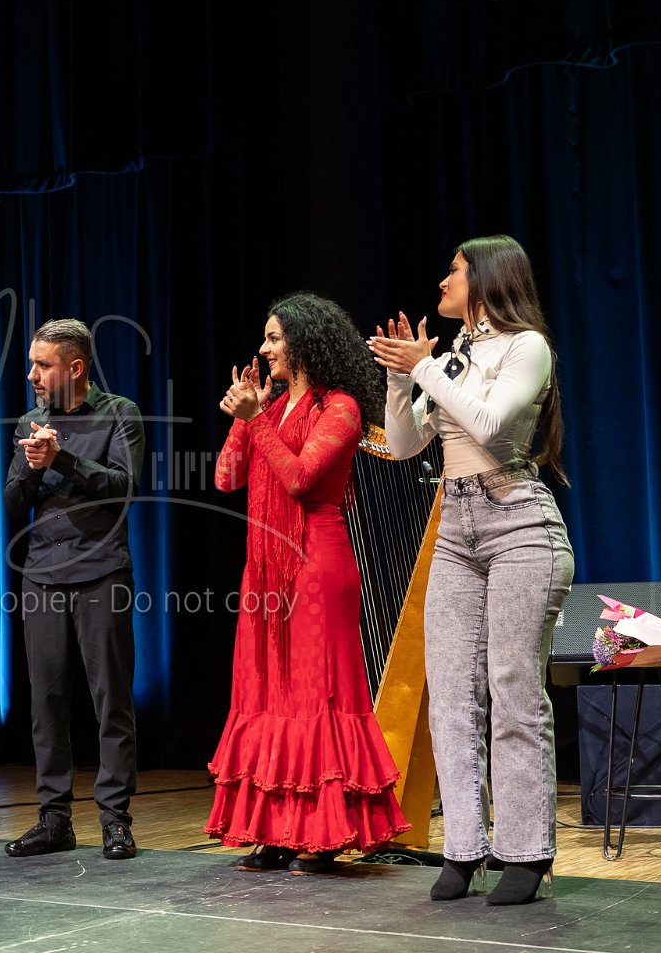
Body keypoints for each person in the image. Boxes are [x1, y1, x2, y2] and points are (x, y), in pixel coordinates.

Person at [369, 234, 574, 906]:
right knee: (453, 696)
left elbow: (487, 426)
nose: (442, 281)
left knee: (513, 689)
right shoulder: (454, 355)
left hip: (519, 525)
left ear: (485, 279)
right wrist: (401, 379)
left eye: (453, 271)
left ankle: (526, 852)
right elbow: (404, 445)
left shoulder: (527, 347)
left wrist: (426, 367)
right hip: (456, 531)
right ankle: (463, 847)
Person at [205, 292, 412, 873]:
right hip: (265, 570)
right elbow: (226, 479)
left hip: (316, 564)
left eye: (274, 338)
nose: (264, 348)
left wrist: (256, 420)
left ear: (302, 343)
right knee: (268, 696)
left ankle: (322, 833)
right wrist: (247, 419)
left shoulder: (340, 408)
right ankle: (276, 831)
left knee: (315, 697)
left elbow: (299, 478)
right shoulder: (271, 411)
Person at [2, 318, 145, 860]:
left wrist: (61, 457)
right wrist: (34, 467)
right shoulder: (29, 421)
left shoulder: (120, 413)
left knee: (111, 700)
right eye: (32, 365)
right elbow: (13, 503)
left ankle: (115, 818)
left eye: (43, 365)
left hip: (102, 572)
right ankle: (54, 818)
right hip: (42, 574)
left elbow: (124, 487)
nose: (32, 376)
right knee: (46, 701)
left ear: (76, 367)